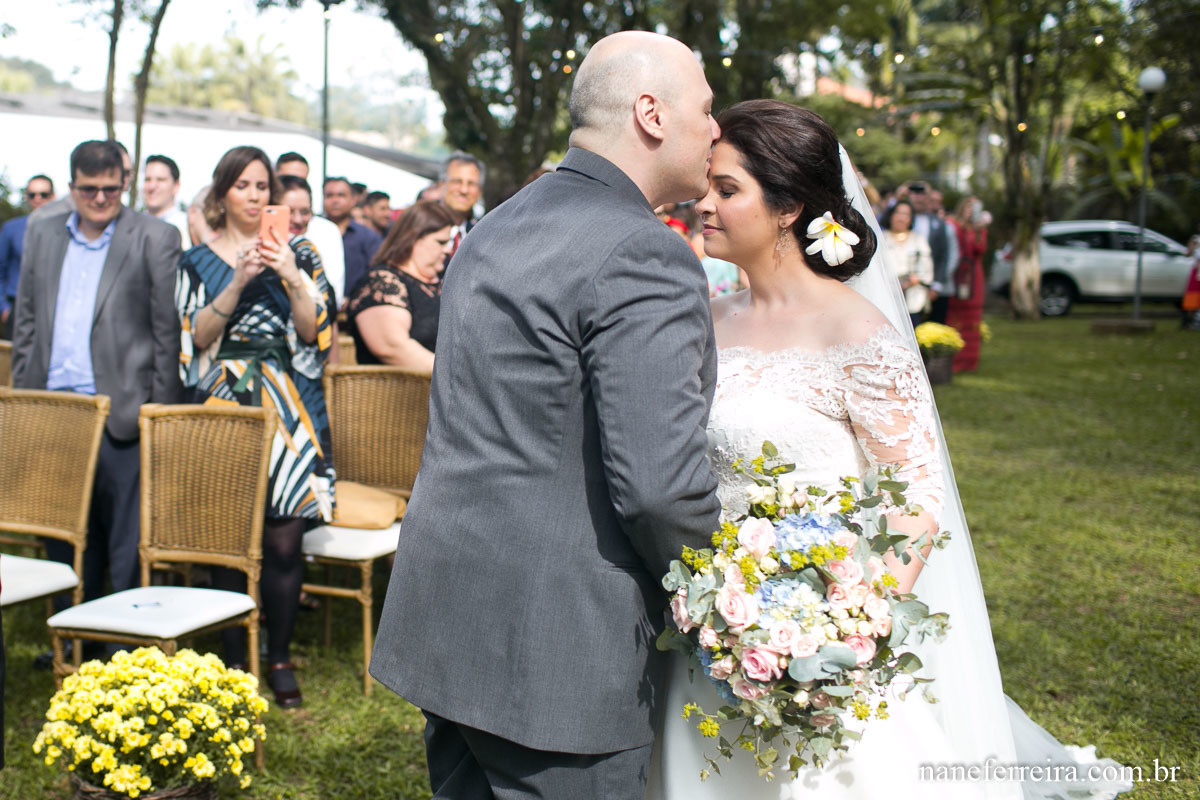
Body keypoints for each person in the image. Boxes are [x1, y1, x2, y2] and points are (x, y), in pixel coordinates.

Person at [648, 99, 1129, 800]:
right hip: (709, 625)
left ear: (787, 208)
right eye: (708, 186)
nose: (705, 205)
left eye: (728, 190)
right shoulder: (708, 319)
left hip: (817, 634)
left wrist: (844, 633)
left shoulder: (859, 334)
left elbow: (916, 502)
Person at [370, 30, 722, 798]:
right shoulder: (644, 252)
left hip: (448, 614)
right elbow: (660, 487)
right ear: (652, 114)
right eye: (707, 107)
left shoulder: (499, 222)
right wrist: (727, 597)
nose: (716, 129)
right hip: (556, 652)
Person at [176, 145, 335, 708]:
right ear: (222, 194)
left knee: (284, 540)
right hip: (225, 404)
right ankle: (234, 655)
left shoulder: (303, 252)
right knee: (227, 534)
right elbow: (193, 337)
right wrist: (239, 279)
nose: (254, 195)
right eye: (242, 186)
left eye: (262, 186)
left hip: (289, 405)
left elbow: (317, 333)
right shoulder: (196, 261)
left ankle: (279, 655)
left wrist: (290, 273)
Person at [12, 140, 183, 641]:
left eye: (112, 188)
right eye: (91, 190)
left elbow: (164, 333)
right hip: (55, 410)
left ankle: (118, 645)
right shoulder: (42, 232)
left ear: (124, 183)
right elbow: (25, 323)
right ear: (72, 187)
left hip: (123, 413)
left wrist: (159, 415)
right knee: (62, 536)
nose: (103, 199)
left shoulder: (155, 235)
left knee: (121, 542)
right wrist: (26, 403)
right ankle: (72, 640)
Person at [344, 201, 454, 370]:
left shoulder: (441, 282)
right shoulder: (382, 282)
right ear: (413, 239)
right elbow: (392, 347)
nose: (447, 249)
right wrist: (456, 379)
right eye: (440, 242)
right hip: (397, 393)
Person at [274, 153, 346, 305]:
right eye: (289, 211)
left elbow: (333, 298)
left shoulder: (326, 231)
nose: (298, 219)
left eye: (305, 212)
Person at [0, 174, 56, 337]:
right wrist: (3, 307)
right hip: (16, 307)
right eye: (32, 195)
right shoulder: (11, 228)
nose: (38, 199)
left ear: (52, 196)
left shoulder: (65, 229)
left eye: (43, 194)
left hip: (50, 307)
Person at [946, 195, 990, 371]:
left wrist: (978, 232)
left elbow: (980, 249)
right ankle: (953, 359)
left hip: (973, 275)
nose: (971, 211)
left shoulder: (979, 229)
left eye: (975, 208)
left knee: (972, 319)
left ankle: (969, 361)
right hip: (956, 272)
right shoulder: (953, 225)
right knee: (953, 314)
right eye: (969, 207)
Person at [908, 182, 958, 324]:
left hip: (931, 284)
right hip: (905, 284)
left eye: (923, 194)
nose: (919, 198)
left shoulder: (939, 224)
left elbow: (943, 255)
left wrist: (936, 284)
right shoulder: (900, 218)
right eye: (915, 194)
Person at [324, 176, 381, 298]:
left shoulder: (368, 237)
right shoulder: (313, 232)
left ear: (353, 199)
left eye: (341, 195)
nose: (335, 200)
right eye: (329, 195)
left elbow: (376, 274)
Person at [880, 200, 933, 326]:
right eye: (899, 213)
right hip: (887, 297)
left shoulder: (918, 240)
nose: (902, 218)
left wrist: (916, 279)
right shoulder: (881, 238)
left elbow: (926, 267)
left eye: (906, 215)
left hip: (913, 298)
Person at [439, 152, 484, 267]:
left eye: (471, 184)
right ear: (441, 185)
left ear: (480, 192)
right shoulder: (419, 228)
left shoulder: (482, 237)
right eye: (457, 182)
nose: (464, 190)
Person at [141, 154, 190, 247]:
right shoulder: (132, 226)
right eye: (147, 180)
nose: (152, 186)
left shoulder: (187, 227)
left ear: (176, 185)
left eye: (160, 180)